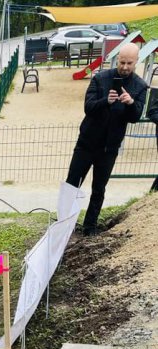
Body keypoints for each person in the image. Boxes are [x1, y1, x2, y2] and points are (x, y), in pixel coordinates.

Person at [66, 43, 147, 236]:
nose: (125, 67)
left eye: (129, 63)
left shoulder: (140, 86)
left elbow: (135, 117)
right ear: (117, 59)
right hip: (87, 143)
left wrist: (130, 103)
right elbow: (88, 107)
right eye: (122, 62)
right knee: (71, 185)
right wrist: (106, 101)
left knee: (99, 188)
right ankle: (64, 224)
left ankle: (90, 228)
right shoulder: (100, 78)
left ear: (136, 62)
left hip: (109, 148)